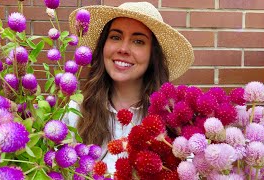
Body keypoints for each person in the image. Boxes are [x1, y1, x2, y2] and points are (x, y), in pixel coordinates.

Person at [65, 1, 194, 175]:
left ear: (152, 54)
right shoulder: (76, 112)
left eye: (138, 41)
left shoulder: (173, 120)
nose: (123, 49)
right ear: (104, 45)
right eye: (116, 37)